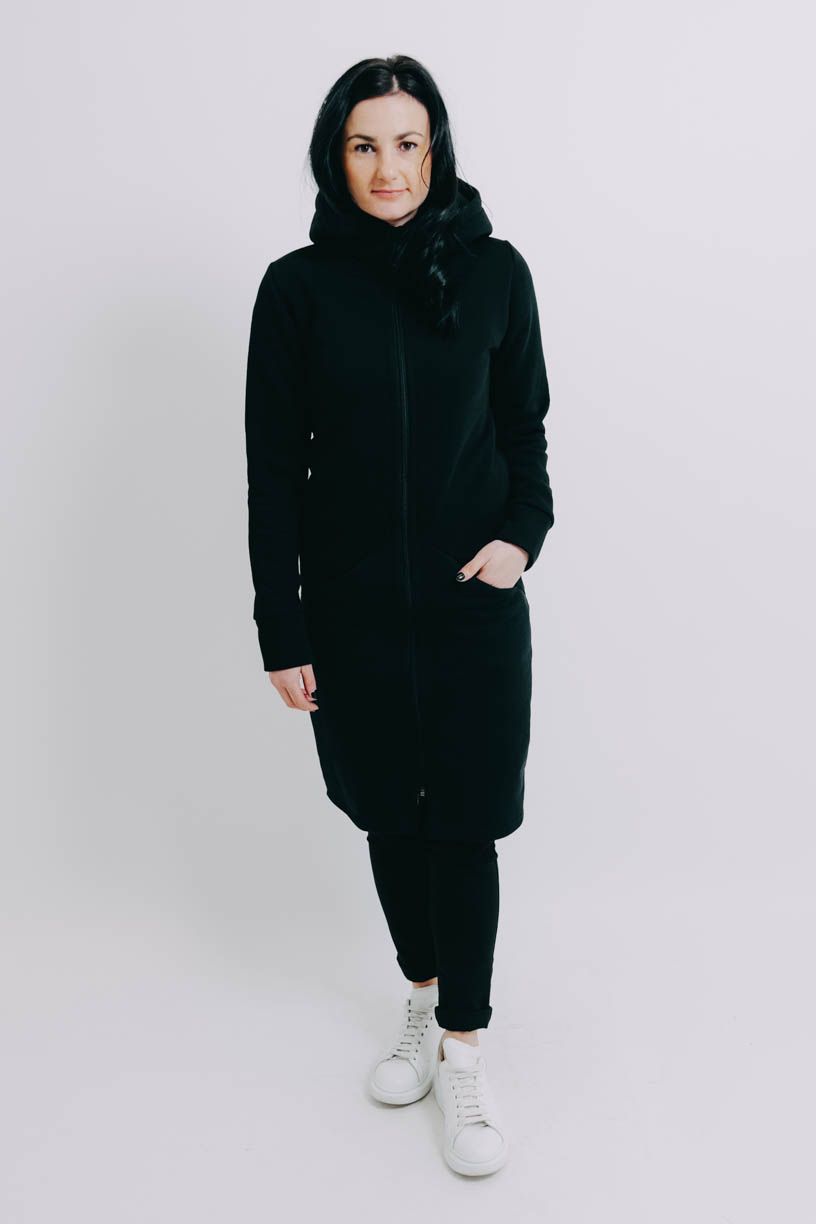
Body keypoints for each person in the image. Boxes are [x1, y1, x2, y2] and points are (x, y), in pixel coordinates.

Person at [244, 54, 554, 1177]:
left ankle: (463, 1050)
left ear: (437, 150)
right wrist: (284, 629)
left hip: (473, 608)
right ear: (336, 156)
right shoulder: (297, 289)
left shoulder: (496, 273)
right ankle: (419, 999)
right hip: (355, 614)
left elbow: (525, 432)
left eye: (407, 143)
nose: (388, 168)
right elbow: (272, 475)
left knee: (463, 824)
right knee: (388, 816)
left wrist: (521, 537)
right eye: (364, 145)